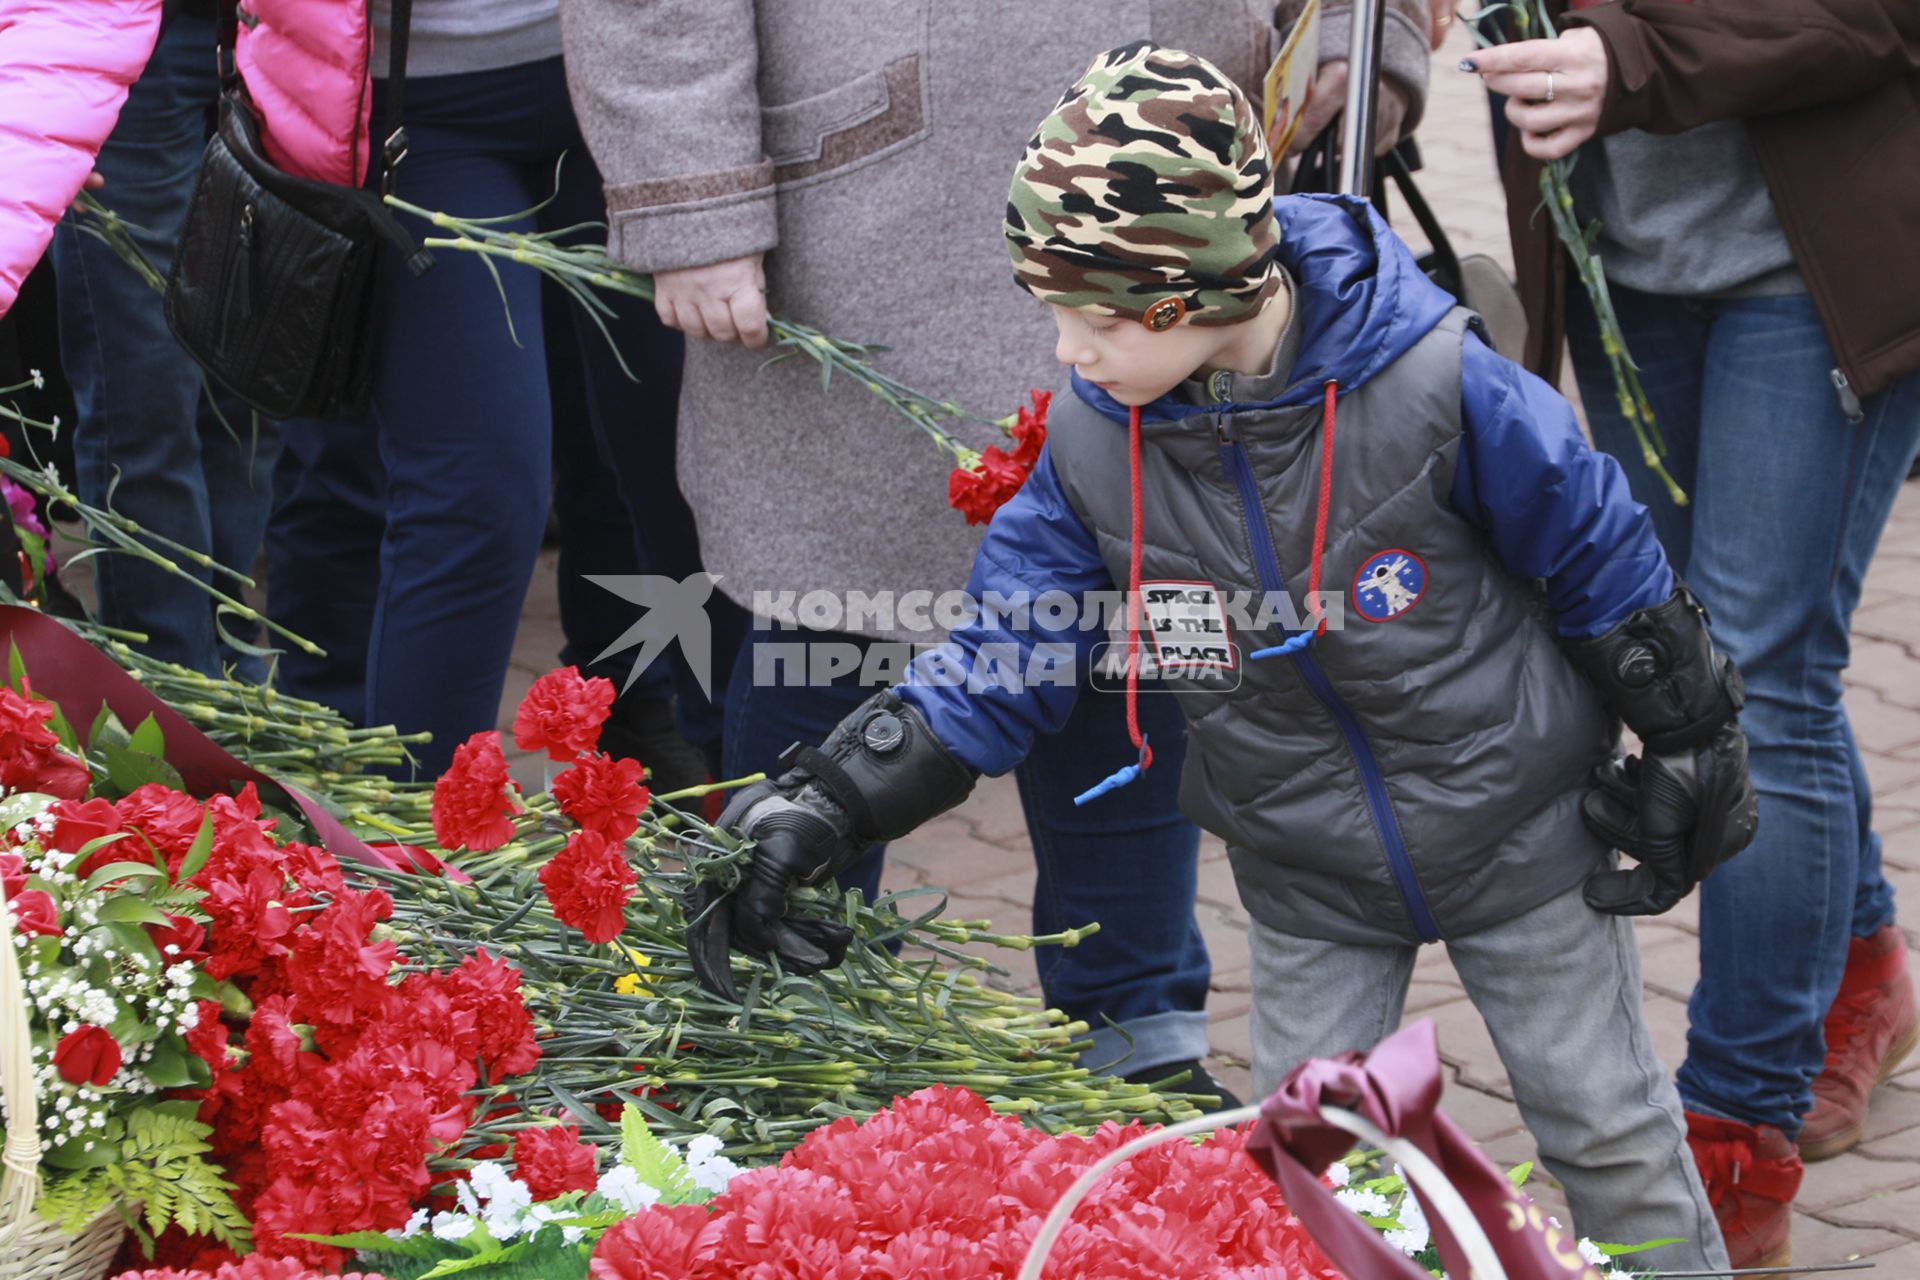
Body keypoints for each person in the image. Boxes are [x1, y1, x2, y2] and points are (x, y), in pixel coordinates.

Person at [689, 45, 1758, 1271]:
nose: (1065, 355)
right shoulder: (1097, 445)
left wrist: (1691, 728)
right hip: (1305, 866)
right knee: (1295, 1172)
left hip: (1519, 832)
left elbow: (1599, 548)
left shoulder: (1435, 384)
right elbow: (1004, 649)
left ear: (1191, 292)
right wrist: (833, 797)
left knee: (1607, 1128)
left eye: (1091, 318)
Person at [562, 0, 1439, 1106]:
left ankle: (1137, 1036)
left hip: (1187, 191)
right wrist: (688, 185)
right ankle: (778, 1041)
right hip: (883, 206)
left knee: (1141, 622)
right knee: (836, 618)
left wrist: (1368, 36)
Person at [1466, 9, 1920, 1266]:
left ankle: (1735, 1125)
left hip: (1813, 266)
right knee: (1712, 655)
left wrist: (1633, 60)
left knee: (1756, 684)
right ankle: (1860, 955)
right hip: (1624, 260)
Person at [251, 0, 716, 779]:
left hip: (639, 77)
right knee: (477, 493)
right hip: (413, 103)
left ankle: (744, 813)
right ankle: (415, 856)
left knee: (685, 463)